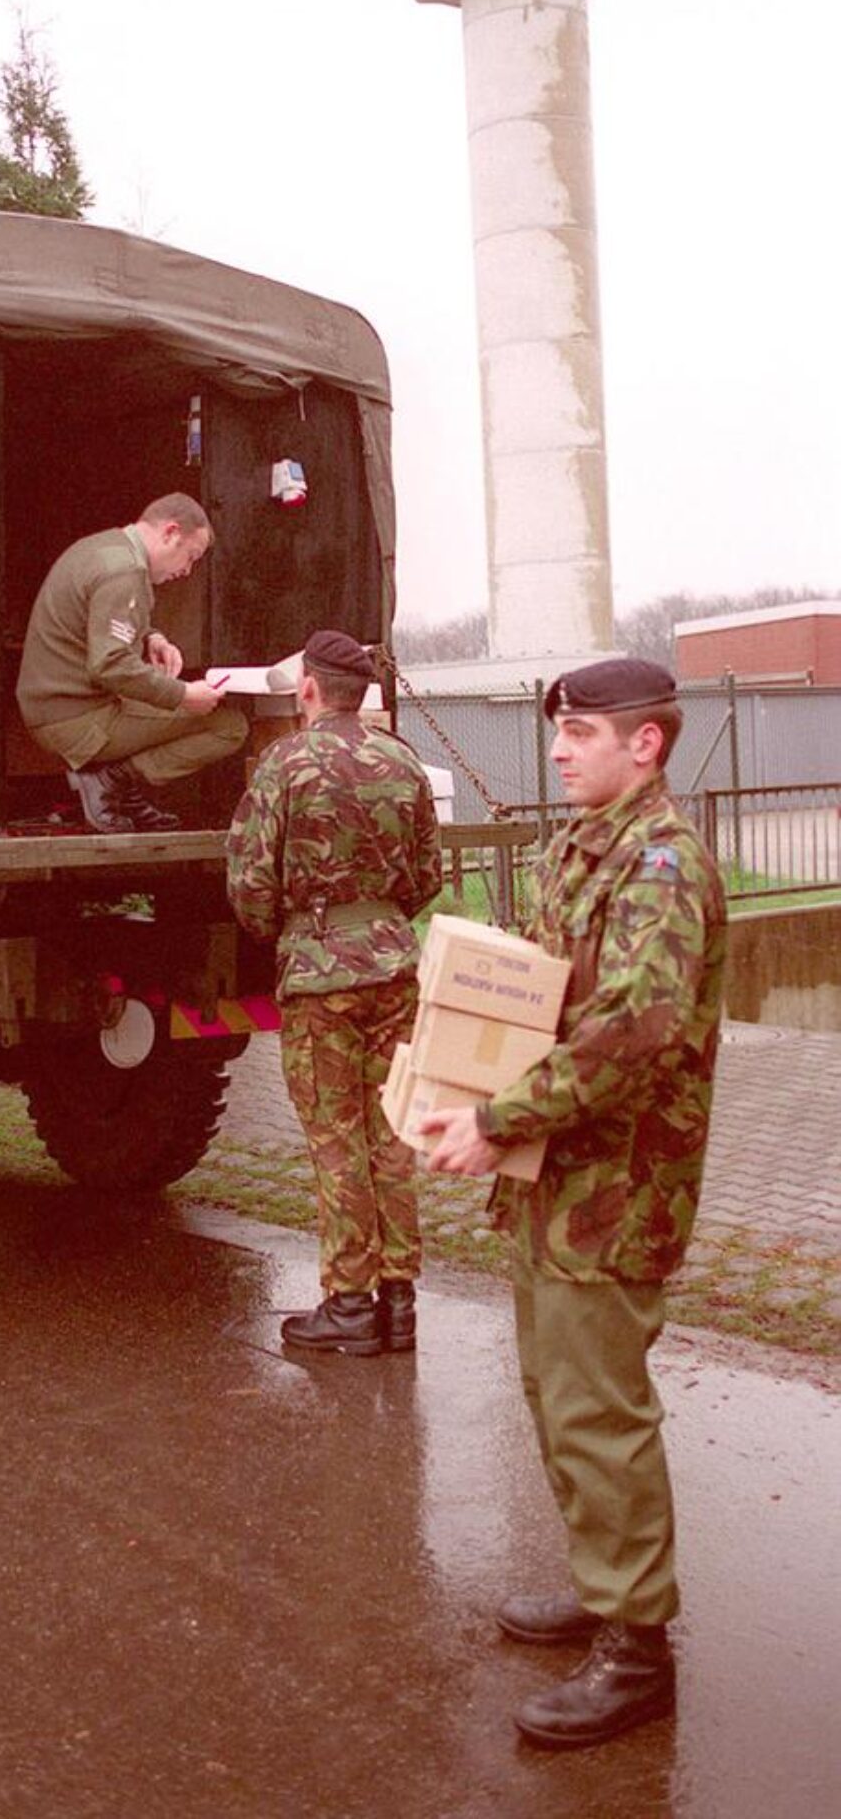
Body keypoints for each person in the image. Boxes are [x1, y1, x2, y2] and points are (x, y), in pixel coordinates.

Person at [421, 657, 727, 1750]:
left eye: (582, 733)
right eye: (559, 731)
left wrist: (498, 1116)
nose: (557, 750)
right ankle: (607, 1588)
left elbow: (634, 1029)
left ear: (646, 743)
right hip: (557, 1175)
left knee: (599, 1410)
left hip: (619, 1185)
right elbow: (546, 1001)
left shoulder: (660, 863)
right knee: (556, 1393)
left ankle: (639, 1651)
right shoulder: (585, 846)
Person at [226, 629, 444, 1356]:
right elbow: (428, 874)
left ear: (310, 689)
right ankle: (399, 1302)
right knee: (392, 1136)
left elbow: (250, 882)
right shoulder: (403, 762)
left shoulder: (285, 764)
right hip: (394, 969)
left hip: (321, 977)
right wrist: (377, 924)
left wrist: (295, 934)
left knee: (336, 1140)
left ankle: (350, 1303)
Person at [16, 493, 248, 831]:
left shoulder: (103, 549)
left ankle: (115, 785)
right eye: (191, 556)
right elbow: (110, 665)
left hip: (57, 709)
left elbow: (96, 619)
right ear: (171, 532)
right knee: (228, 726)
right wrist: (183, 695)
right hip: (77, 721)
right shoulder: (125, 572)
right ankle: (112, 781)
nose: (187, 571)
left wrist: (152, 637)